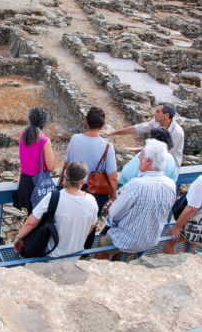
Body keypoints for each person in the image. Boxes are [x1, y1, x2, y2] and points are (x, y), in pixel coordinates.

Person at [95, 139, 177, 261]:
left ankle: (100, 270)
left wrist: (110, 224)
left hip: (129, 238)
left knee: (102, 244)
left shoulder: (136, 185)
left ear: (148, 161)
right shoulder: (171, 185)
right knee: (124, 250)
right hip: (150, 239)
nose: (138, 157)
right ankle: (119, 266)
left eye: (141, 154)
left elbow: (115, 213)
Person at [58, 107, 117, 252]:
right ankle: (84, 251)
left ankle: (65, 247)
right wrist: (114, 194)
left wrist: (60, 181)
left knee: (69, 217)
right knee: (91, 219)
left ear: (86, 122)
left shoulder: (75, 139)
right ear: (103, 125)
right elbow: (113, 176)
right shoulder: (107, 146)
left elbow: (67, 163)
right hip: (96, 191)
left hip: (74, 185)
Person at [14, 161, 98, 263]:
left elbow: (31, 222)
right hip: (75, 255)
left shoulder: (53, 197)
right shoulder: (92, 201)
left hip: (51, 255)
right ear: (82, 182)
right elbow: (92, 226)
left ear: (65, 176)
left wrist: (19, 238)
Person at [102, 102, 184, 173]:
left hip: (167, 168)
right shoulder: (156, 122)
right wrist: (112, 133)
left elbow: (163, 153)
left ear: (166, 115)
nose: (154, 113)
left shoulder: (177, 133)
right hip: (151, 164)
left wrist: (141, 149)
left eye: (157, 112)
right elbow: (136, 128)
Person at [13, 106, 56, 215]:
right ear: (45, 124)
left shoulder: (23, 135)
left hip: (24, 183)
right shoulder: (44, 140)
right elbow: (51, 167)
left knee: (31, 217)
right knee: (39, 221)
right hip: (37, 186)